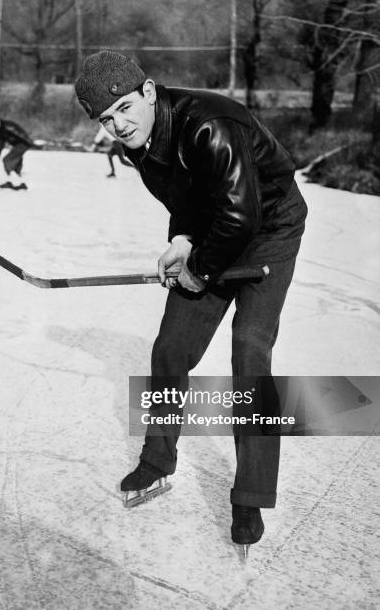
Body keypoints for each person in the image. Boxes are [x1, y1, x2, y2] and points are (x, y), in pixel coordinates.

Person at [75, 51, 308, 553]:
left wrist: (199, 271)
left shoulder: (209, 125)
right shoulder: (140, 141)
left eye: (123, 108)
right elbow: (184, 198)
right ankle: (157, 461)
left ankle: (249, 495)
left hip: (269, 229)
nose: (117, 124)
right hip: (217, 227)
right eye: (106, 118)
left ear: (150, 91)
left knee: (250, 354)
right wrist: (182, 239)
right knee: (171, 348)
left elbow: (242, 215)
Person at [0, 112, 34, 190]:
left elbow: (20, 134)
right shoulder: (0, 129)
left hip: (23, 144)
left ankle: (12, 183)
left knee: (7, 160)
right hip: (18, 145)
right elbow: (1, 142)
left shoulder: (7, 126)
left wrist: (30, 143)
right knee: (16, 165)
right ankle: (20, 183)